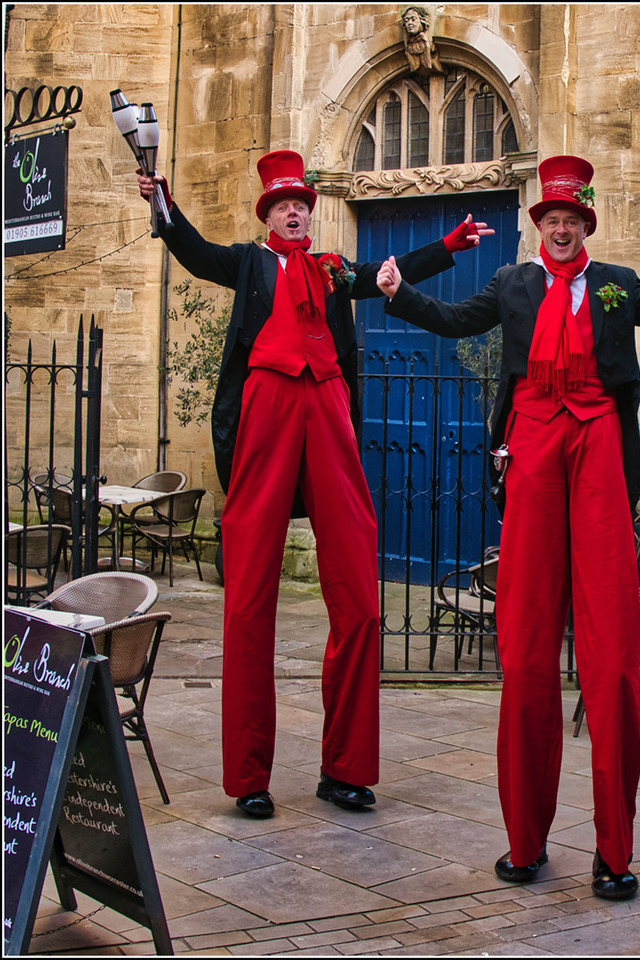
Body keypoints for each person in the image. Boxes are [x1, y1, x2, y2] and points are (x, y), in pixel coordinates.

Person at [376, 155, 640, 900]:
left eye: (572, 220)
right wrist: (400, 294)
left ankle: (615, 852)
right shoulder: (513, 284)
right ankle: (525, 843)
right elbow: (452, 321)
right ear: (539, 227)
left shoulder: (616, 284)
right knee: (528, 649)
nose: (562, 228)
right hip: (534, 440)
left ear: (584, 226)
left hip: (599, 439)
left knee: (609, 656)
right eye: (551, 219)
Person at [137, 150, 492, 818]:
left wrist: (448, 243)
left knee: (359, 596)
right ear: (268, 213)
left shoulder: (331, 271)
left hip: (327, 408)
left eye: (302, 202)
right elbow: (192, 250)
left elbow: (386, 275)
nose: (295, 210)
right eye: (283, 203)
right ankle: (248, 777)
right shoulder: (247, 264)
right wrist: (163, 204)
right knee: (246, 601)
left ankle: (347, 769)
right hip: (266, 411)